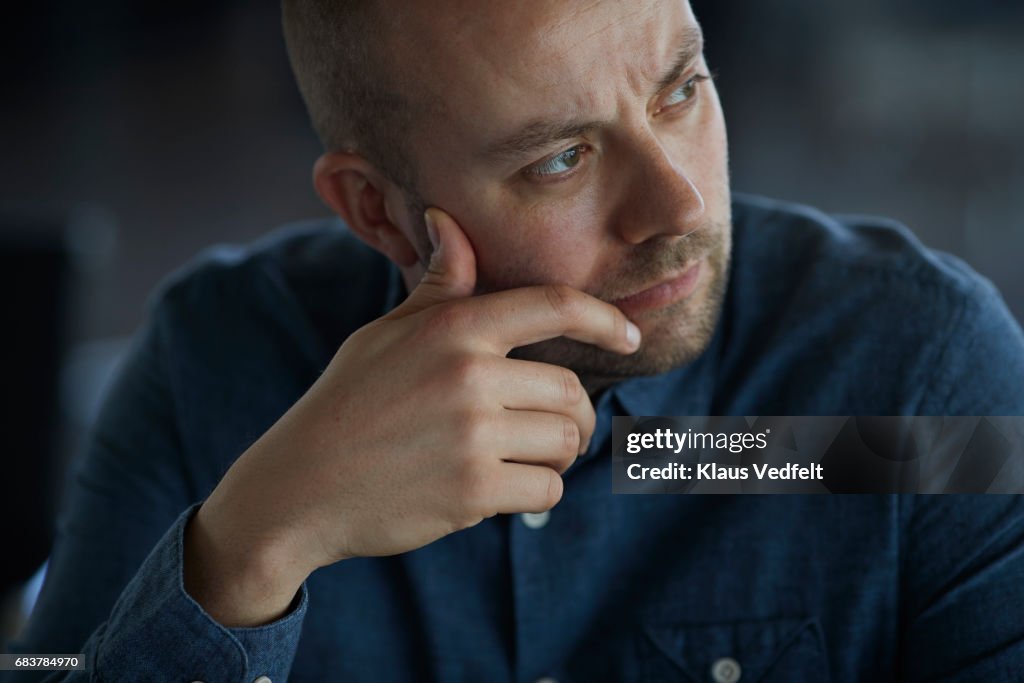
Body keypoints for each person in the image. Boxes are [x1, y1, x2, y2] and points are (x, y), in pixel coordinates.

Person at [6, 1, 1024, 681]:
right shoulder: (212, 364)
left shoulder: (918, 372)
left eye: (680, 90)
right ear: (378, 212)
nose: (676, 201)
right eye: (561, 159)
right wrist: (251, 550)